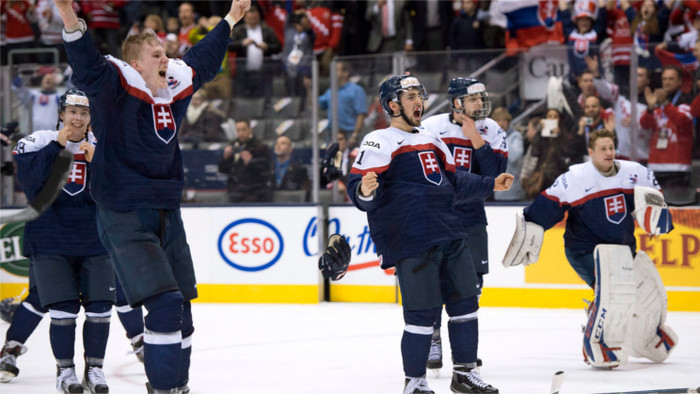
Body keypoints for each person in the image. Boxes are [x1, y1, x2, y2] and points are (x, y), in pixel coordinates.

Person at [55, 0, 251, 392]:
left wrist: (232, 17)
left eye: (166, 51)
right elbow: (87, 63)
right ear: (137, 64)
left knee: (182, 312)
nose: (166, 57)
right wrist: (65, 10)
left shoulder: (174, 81)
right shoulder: (117, 84)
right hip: (123, 210)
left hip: (166, 207)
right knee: (162, 306)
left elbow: (203, 59)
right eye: (156, 54)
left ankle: (178, 387)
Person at [346, 74, 513, 394]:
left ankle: (464, 373)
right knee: (421, 314)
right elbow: (358, 187)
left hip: (451, 232)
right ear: (393, 105)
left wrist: (490, 183)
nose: (418, 101)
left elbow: (455, 183)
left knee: (466, 305)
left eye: (419, 95)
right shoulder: (379, 140)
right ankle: (415, 382)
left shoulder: (432, 138)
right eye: (409, 97)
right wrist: (364, 190)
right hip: (413, 239)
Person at [503, 129, 677, 368]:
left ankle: (647, 338)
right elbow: (544, 208)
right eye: (603, 149)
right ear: (591, 152)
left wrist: (660, 219)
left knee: (648, 294)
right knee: (612, 294)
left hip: (623, 249)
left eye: (611, 148)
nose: (608, 153)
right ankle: (594, 343)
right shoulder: (575, 179)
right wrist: (530, 228)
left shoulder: (635, 173)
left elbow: (656, 204)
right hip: (585, 251)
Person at [10, 89, 114, 393]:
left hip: (95, 240)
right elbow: (31, 185)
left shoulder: (102, 145)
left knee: (100, 309)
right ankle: (65, 372)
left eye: (84, 113)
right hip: (50, 240)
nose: (78, 118)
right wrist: (58, 145)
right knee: (63, 310)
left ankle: (94, 369)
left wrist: (99, 164)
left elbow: (116, 193)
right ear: (61, 114)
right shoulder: (38, 141)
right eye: (72, 112)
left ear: (91, 117)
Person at [420, 77, 508, 373]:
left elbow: (496, 178)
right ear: (457, 103)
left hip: (471, 217)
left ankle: (463, 347)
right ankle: (433, 337)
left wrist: (475, 137)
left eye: (481, 98)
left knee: (471, 288)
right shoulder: (431, 128)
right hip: (437, 216)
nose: (480, 104)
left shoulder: (492, 129)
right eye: (473, 100)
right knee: (433, 283)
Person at [640, 65, 694, 189]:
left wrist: (666, 103)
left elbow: (681, 121)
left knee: (677, 207)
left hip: (678, 167)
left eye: (671, 79)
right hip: (655, 165)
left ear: (680, 81)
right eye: (664, 79)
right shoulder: (657, 99)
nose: (667, 82)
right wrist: (650, 108)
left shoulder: (686, 99)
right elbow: (645, 125)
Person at [218, 118, 272, 203]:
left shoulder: (260, 147)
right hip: (235, 192)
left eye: (243, 130)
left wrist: (250, 162)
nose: (241, 133)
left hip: (254, 193)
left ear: (250, 130)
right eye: (238, 130)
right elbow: (223, 170)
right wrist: (226, 158)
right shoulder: (232, 146)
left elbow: (266, 170)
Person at [319, 61, 368, 147]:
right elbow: (316, 106)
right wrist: (309, 89)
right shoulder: (330, 91)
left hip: (349, 134)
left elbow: (361, 115)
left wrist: (354, 135)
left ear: (345, 73)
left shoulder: (356, 90)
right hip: (332, 134)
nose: (333, 73)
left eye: (336, 70)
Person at [491, 107, 525, 202]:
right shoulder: (491, 138)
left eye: (504, 120)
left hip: (512, 191)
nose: (501, 123)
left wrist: (502, 137)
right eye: (498, 120)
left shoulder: (515, 136)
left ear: (509, 121)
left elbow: (515, 157)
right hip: (493, 190)